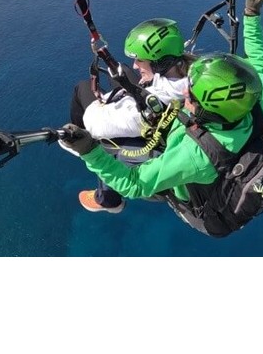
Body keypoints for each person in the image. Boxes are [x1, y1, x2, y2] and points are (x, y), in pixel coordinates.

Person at [60, 0, 263, 232]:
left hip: (190, 195)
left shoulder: (194, 156)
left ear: (207, 110)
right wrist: (251, 15)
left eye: (191, 97)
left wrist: (89, 151)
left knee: (109, 151)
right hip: (209, 154)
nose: (186, 97)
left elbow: (136, 184)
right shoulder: (252, 102)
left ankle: (108, 200)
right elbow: (258, 64)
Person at [65, 18, 194, 213]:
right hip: (160, 114)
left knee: (83, 90)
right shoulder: (193, 72)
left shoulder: (139, 114)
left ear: (161, 63)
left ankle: (108, 199)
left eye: (140, 60)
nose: (135, 66)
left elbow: (95, 124)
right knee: (119, 70)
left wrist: (86, 142)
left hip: (151, 137)